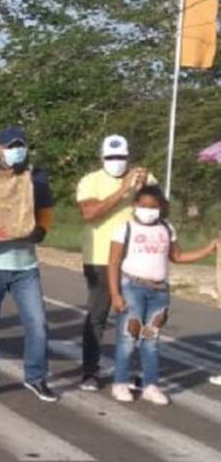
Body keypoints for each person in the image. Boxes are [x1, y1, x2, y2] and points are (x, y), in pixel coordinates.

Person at [108, 185, 217, 405]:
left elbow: (178, 256)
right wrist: (115, 294)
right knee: (128, 337)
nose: (149, 210)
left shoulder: (166, 228)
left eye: (154, 207)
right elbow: (113, 263)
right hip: (133, 287)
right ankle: (120, 382)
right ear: (135, 205)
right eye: (144, 206)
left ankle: (151, 385)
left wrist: (207, 249)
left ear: (161, 208)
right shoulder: (125, 229)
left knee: (151, 339)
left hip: (159, 290)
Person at [0, 126, 56, 401]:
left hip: (25, 266)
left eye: (20, 145)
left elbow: (44, 216)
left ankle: (36, 377)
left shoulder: (36, 176)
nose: (15, 151)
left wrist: (38, 232)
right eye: (9, 146)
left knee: (38, 325)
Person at [75, 135, 152, 391]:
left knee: (132, 316)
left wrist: (144, 191)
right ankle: (89, 371)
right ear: (102, 158)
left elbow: (162, 211)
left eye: (121, 157)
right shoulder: (91, 181)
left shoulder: (145, 178)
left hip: (137, 258)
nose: (117, 162)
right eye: (111, 157)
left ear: (129, 157)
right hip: (100, 258)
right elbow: (89, 213)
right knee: (98, 315)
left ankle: (128, 371)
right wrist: (123, 191)